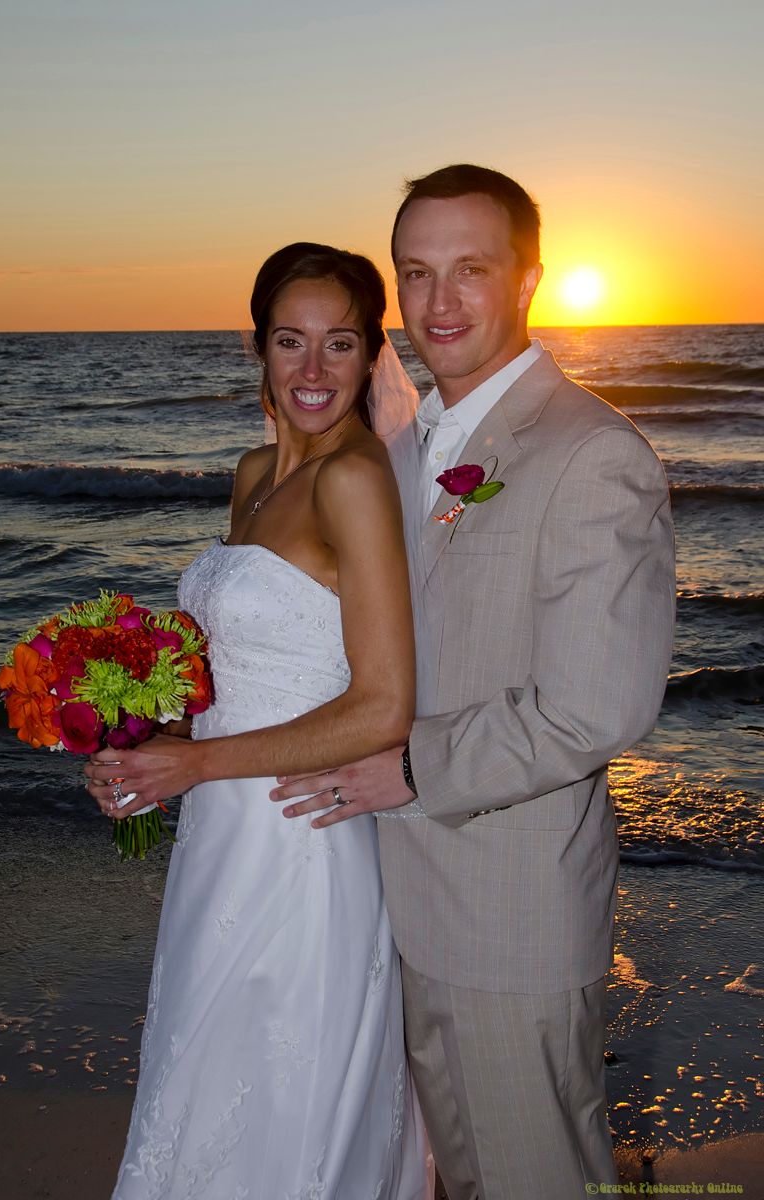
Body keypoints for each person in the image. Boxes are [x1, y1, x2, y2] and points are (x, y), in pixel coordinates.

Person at [271, 165, 677, 1199]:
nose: (437, 302)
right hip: (386, 901)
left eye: (468, 270)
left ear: (529, 278)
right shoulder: (401, 448)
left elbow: (598, 706)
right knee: (449, 1172)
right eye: (415, 273)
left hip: (506, 913)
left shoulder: (591, 453)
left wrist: (409, 767)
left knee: (534, 1173)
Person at [86, 243, 432, 1199]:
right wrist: (143, 751)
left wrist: (194, 768)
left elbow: (382, 705)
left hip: (298, 838)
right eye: (291, 341)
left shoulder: (352, 481)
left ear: (372, 357)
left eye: (340, 343)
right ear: (258, 349)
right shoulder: (252, 476)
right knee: (200, 1071)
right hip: (221, 834)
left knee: (284, 1097)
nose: (313, 371)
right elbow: (228, 670)